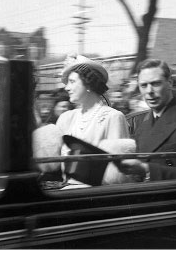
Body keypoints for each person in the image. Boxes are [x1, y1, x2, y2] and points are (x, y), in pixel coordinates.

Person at [118, 59, 176, 181]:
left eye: (156, 84)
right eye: (144, 85)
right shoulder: (140, 124)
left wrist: (147, 169)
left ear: (170, 83)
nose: (149, 91)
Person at [55, 54, 130, 187]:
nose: (66, 88)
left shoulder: (112, 117)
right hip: (66, 192)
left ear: (88, 83)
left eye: (72, 82)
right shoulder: (66, 118)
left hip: (95, 195)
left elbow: (118, 173)